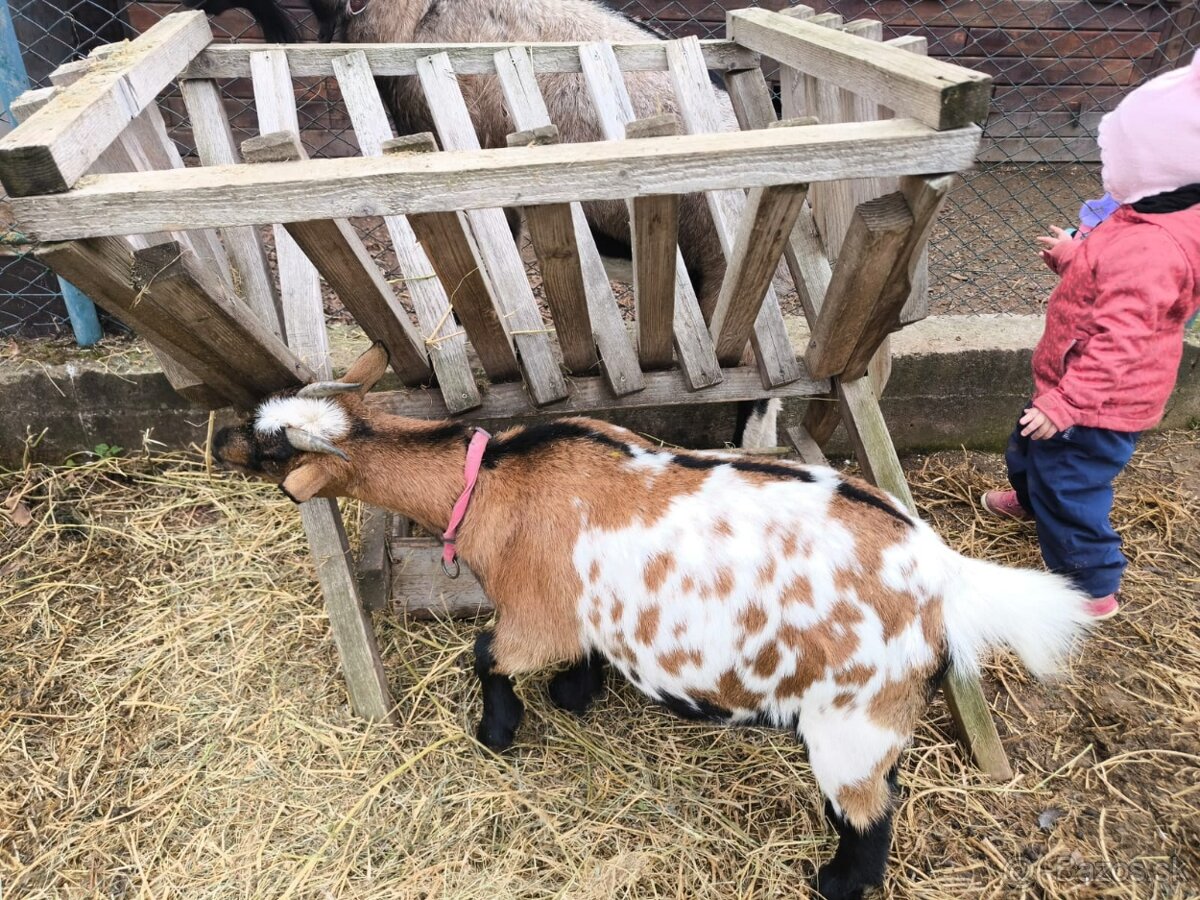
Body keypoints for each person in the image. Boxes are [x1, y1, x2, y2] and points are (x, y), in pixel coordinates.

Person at [981, 53, 1200, 619]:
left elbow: (1122, 339)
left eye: (1116, 155)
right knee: (1028, 451)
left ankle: (1091, 586)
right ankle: (1033, 503)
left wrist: (1069, 401)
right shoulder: (1142, 220)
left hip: (1096, 402)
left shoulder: (1154, 245)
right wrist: (1074, 256)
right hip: (1067, 386)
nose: (1107, 163)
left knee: (1071, 489)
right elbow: (1115, 280)